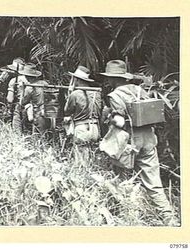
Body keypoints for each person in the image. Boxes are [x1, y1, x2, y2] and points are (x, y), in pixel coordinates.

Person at [99, 59, 175, 226]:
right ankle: (169, 219)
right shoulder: (139, 90)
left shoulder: (115, 96)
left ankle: (127, 218)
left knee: (122, 181)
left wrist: (109, 117)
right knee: (154, 183)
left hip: (129, 142)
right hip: (149, 140)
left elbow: (119, 122)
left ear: (113, 78)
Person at [63, 65, 102, 164]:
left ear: (76, 79)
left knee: (81, 162)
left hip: (81, 129)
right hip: (95, 128)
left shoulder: (75, 94)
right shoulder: (96, 93)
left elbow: (67, 111)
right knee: (92, 158)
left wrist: (69, 95)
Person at [19, 64, 50, 134]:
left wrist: (22, 89)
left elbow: (22, 102)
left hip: (38, 115)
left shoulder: (30, 88)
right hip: (49, 112)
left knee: (39, 136)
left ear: (27, 77)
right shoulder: (45, 83)